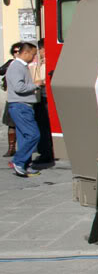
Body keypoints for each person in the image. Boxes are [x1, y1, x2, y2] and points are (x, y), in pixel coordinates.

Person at [4, 42, 42, 177]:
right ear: (25, 53)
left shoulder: (20, 66)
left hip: (22, 106)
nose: (34, 57)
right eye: (33, 54)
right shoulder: (17, 67)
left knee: (24, 137)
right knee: (33, 135)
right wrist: (35, 85)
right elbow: (19, 87)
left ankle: (24, 164)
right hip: (21, 106)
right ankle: (18, 161)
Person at [29, 40, 54, 166]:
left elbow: (42, 80)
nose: (40, 52)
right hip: (43, 99)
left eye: (40, 49)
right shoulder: (43, 62)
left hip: (44, 99)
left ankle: (46, 153)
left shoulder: (47, 63)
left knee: (43, 128)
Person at [0, 43, 20, 158]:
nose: (17, 53)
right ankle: (11, 148)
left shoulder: (26, 64)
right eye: (15, 51)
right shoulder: (11, 63)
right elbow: (1, 71)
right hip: (11, 98)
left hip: (22, 99)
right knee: (11, 125)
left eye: (19, 51)